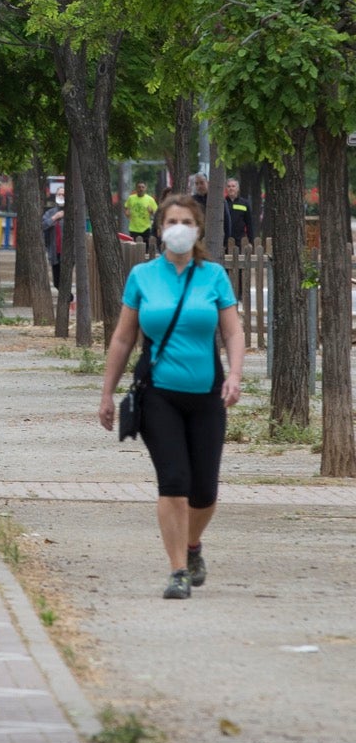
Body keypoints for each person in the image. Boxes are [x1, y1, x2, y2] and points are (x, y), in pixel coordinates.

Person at [98, 194, 245, 601]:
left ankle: (193, 545)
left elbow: (232, 331)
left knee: (205, 491)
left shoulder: (213, 275)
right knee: (174, 482)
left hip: (207, 394)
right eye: (170, 221)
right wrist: (107, 393)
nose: (178, 227)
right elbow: (124, 337)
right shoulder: (143, 277)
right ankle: (178, 569)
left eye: (185, 221)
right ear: (160, 229)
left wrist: (234, 374)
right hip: (159, 394)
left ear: (197, 229)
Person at [221, 178, 254, 246]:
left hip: (240, 240)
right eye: (229, 186)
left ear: (237, 189)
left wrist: (251, 241)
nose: (231, 188)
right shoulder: (222, 203)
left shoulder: (244, 203)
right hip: (224, 241)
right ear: (226, 189)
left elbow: (249, 223)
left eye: (233, 186)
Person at [126, 181, 158, 250]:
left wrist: (151, 211)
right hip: (133, 228)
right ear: (136, 188)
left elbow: (156, 213)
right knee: (134, 249)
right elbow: (126, 208)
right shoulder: (131, 198)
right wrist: (127, 213)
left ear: (145, 188)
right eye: (139, 187)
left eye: (143, 187)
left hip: (146, 228)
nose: (141, 189)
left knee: (145, 249)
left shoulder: (150, 199)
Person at [42, 196, 65, 292]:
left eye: (63, 194)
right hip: (54, 251)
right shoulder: (50, 213)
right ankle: (70, 298)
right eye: (59, 194)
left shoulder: (72, 212)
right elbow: (43, 225)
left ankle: (68, 300)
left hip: (67, 252)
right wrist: (55, 217)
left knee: (65, 279)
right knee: (56, 282)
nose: (61, 196)